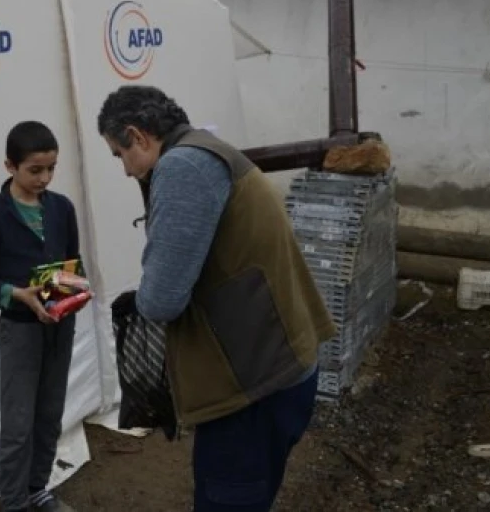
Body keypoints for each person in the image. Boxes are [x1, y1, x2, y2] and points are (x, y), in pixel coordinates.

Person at [96, 85, 337, 512]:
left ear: (138, 136)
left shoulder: (183, 167)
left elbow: (161, 300)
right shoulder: (209, 149)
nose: (126, 171)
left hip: (252, 388)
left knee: (229, 499)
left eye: (119, 154)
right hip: (275, 367)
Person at [0, 121, 81, 512]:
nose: (45, 178)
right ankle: (13, 502)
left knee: (50, 415)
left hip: (60, 327)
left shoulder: (62, 208)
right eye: (35, 170)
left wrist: (71, 295)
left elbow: (72, 263)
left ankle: (37, 489)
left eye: (51, 168)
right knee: (18, 424)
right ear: (9, 166)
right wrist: (17, 295)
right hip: (20, 331)